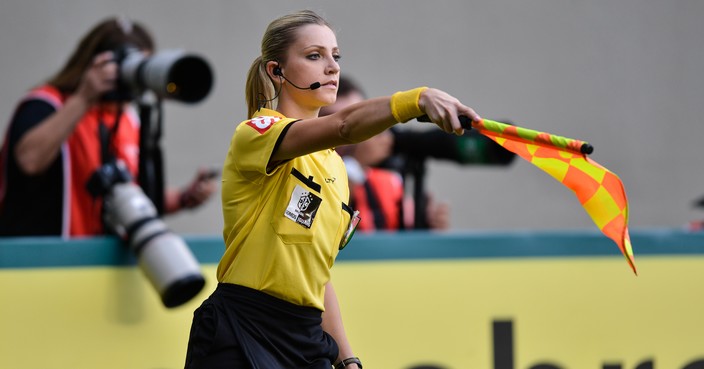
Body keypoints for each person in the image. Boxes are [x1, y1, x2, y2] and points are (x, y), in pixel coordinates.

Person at [183, 9, 481, 369]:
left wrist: (348, 359)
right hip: (243, 326)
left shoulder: (334, 167)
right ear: (277, 71)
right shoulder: (256, 132)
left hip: (306, 338)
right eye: (314, 56)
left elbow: (318, 278)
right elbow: (343, 127)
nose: (332, 67)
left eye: (335, 56)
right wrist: (415, 100)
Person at [0, 17, 216, 237]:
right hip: (42, 261)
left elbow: (131, 191)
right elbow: (28, 161)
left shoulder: (127, 118)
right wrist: (84, 98)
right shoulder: (47, 104)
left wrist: (182, 198)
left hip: (99, 264)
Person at [320, 76, 450, 231]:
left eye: (355, 120)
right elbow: (321, 223)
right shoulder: (304, 165)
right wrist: (355, 165)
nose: (347, 130)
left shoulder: (387, 173)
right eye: (335, 120)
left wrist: (424, 224)